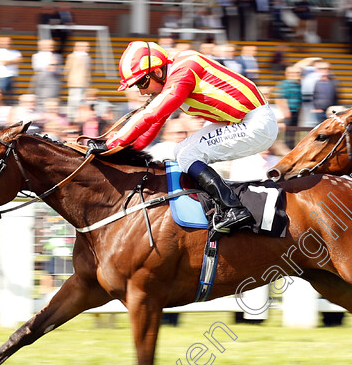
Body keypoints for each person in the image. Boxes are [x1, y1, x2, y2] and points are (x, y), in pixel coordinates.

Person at [84, 41, 278, 233]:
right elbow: (156, 122)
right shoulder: (175, 72)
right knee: (181, 152)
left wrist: (113, 143)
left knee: (188, 155)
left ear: (158, 72)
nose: (142, 91)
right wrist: (125, 149)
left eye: (142, 82)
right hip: (242, 121)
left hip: (255, 123)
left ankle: (232, 208)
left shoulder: (184, 72)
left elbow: (152, 114)